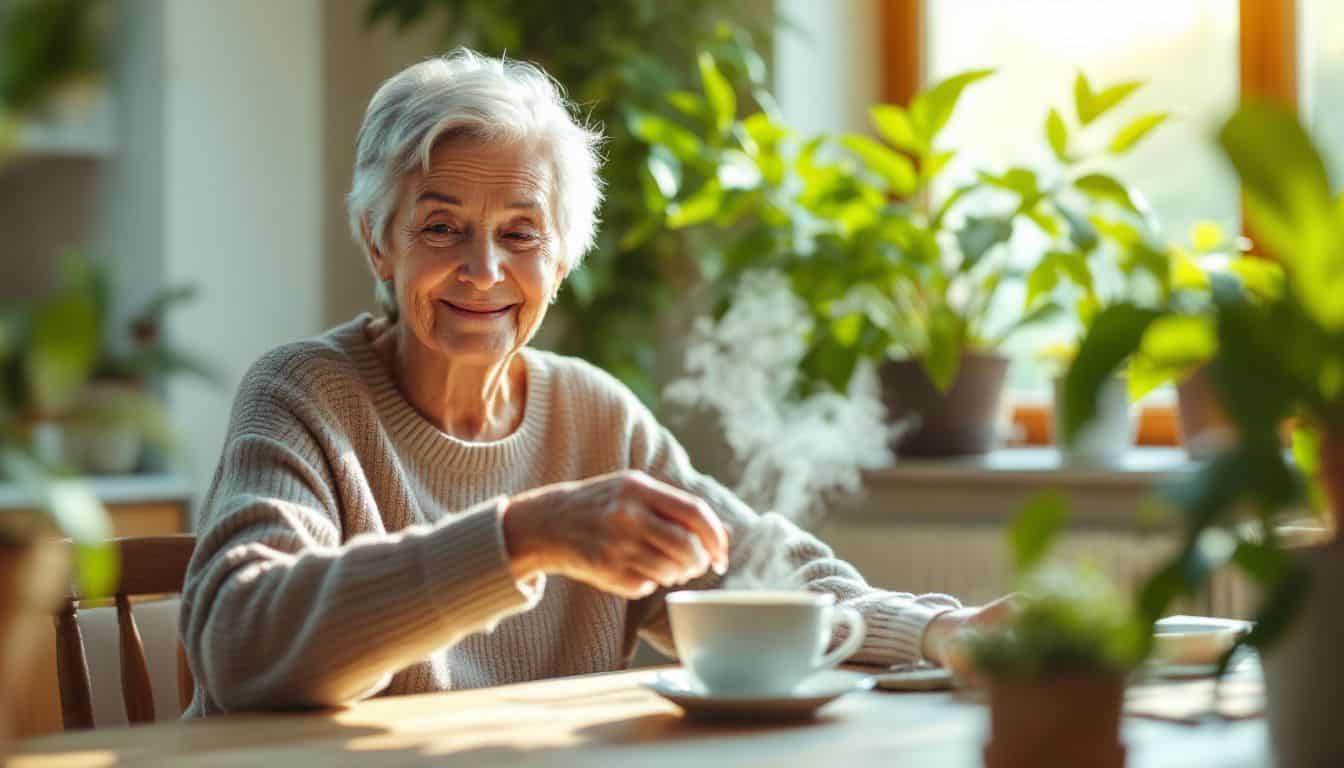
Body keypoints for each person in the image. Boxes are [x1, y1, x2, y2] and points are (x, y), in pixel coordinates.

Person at [179, 48, 1012, 716]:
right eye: (442, 227)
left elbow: (754, 572)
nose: (483, 269)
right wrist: (520, 538)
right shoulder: (305, 393)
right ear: (377, 242)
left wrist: (940, 631)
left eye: (521, 233)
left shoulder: (592, 413)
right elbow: (243, 646)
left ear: (565, 257)